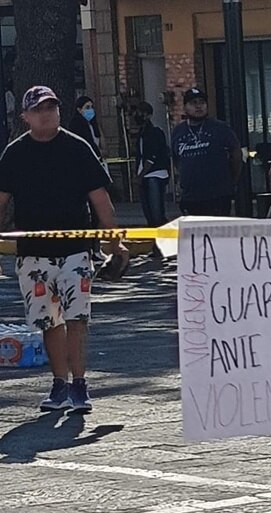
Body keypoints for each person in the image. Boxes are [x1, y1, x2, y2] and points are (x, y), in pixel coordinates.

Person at [0, 86, 127, 412]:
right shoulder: (14, 154)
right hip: (33, 254)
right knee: (49, 321)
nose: (47, 113)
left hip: (76, 250)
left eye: (52, 107)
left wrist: (114, 240)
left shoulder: (77, 147)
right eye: (40, 109)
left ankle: (80, 384)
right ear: (25, 116)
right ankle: (59, 383)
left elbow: (100, 199)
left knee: (77, 317)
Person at [171, 87, 242, 216]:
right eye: (193, 103)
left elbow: (236, 153)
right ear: (185, 107)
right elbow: (177, 159)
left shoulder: (220, 128)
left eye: (202, 102)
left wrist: (232, 181)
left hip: (218, 196)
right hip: (191, 197)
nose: (199, 106)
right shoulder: (178, 131)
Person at [130, 101, 170, 227]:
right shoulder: (142, 133)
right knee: (149, 212)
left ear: (148, 115)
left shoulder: (154, 133)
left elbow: (151, 157)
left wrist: (140, 176)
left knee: (156, 211)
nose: (137, 115)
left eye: (141, 112)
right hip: (145, 175)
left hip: (154, 174)